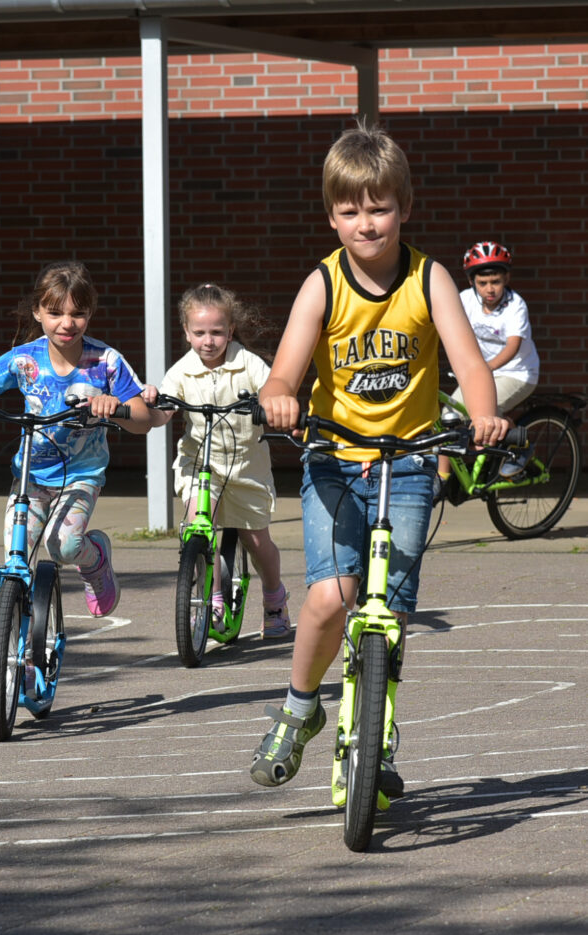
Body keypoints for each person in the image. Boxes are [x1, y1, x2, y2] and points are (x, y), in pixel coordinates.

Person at [250, 121, 508, 795]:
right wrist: (279, 398)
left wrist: (482, 414)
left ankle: (377, 737)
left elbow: (470, 366)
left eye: (380, 207)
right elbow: (282, 376)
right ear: (331, 217)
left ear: (405, 208)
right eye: (350, 210)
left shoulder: (430, 281)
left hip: (413, 463)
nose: (367, 223)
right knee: (331, 596)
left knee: (388, 612)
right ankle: (299, 711)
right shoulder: (323, 285)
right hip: (334, 461)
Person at [0, 260, 168, 624]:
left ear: (90, 313)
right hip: (31, 475)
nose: (67, 323)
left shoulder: (106, 361)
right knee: (18, 554)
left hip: (80, 475)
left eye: (78, 313)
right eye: (55, 312)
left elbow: (143, 420)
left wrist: (114, 408)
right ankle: (19, 651)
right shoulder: (25, 360)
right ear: (37, 312)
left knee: (63, 545)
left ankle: (96, 562)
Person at [142, 282, 291, 639]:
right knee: (195, 527)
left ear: (231, 331)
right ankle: (212, 596)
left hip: (244, 466)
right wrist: (152, 401)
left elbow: (273, 389)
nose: (208, 341)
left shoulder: (247, 363)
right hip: (200, 463)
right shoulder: (182, 370)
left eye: (217, 332)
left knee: (257, 543)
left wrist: (273, 406)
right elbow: (164, 412)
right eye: (199, 333)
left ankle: (274, 598)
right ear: (187, 332)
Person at [435, 240, 539, 493]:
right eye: (483, 283)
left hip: (516, 373)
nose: (490, 289)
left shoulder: (516, 306)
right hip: (481, 372)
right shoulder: (464, 300)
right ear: (472, 282)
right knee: (447, 419)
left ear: (507, 278)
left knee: (488, 413)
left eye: (496, 281)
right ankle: (441, 479)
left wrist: (483, 369)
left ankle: (521, 446)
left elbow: (512, 347)